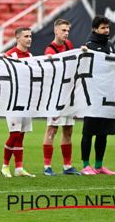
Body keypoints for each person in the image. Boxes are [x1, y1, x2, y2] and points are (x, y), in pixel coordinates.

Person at [42, 19, 81, 176]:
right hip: (55, 96)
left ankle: (67, 166)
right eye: (63, 30)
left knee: (68, 130)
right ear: (56, 31)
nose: (66, 33)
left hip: (68, 95)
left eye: (67, 31)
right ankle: (47, 166)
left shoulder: (68, 45)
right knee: (52, 129)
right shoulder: (49, 51)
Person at [80, 16, 115, 176]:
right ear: (95, 29)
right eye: (103, 28)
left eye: (107, 27)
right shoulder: (88, 47)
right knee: (88, 132)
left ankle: (99, 165)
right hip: (93, 96)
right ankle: (86, 165)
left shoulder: (110, 46)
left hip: (107, 95)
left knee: (103, 132)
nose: (106, 30)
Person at [2, 28, 35, 178]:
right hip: (13, 100)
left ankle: (19, 168)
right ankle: (5, 166)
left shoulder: (30, 56)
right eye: (26, 36)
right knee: (14, 134)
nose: (29, 39)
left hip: (26, 100)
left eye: (30, 36)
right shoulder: (9, 55)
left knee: (21, 135)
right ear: (17, 38)